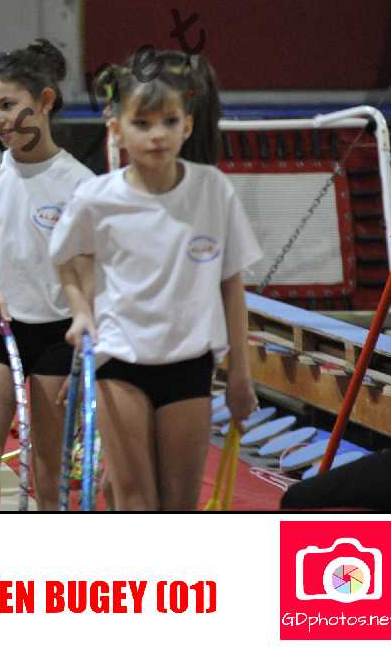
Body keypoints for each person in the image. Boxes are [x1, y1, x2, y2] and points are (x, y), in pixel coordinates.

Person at [51, 56, 261, 511]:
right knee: (136, 501)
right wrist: (81, 313)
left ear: (188, 125)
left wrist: (241, 375)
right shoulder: (96, 197)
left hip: (189, 361)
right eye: (142, 123)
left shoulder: (213, 189)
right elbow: (65, 258)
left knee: (179, 504)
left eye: (169, 121)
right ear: (116, 129)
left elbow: (232, 285)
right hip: (119, 358)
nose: (157, 134)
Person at [0, 40, 94, 510]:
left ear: (45, 100)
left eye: (9, 105)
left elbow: (94, 278)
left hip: (59, 338)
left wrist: (87, 345)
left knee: (50, 477)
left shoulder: (81, 185)